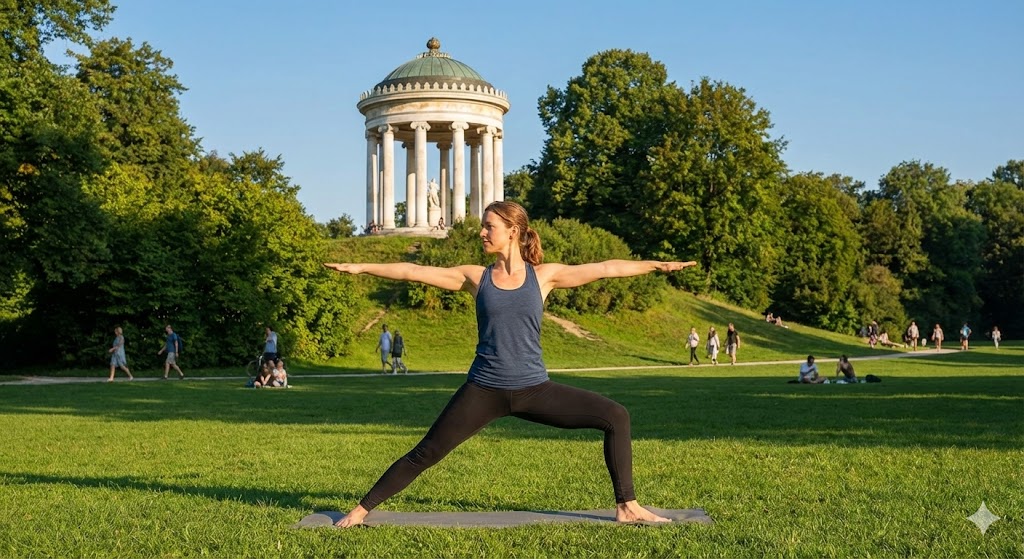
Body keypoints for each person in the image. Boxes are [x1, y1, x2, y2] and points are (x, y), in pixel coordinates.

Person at [323, 200, 695, 527]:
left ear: (513, 231)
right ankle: (360, 509)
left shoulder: (544, 276)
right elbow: (412, 271)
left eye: (489, 226)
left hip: (535, 390)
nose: (482, 232)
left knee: (616, 416)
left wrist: (655, 265)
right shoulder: (476, 277)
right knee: (427, 451)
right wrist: (360, 267)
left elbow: (605, 268)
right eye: (483, 226)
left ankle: (627, 506)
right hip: (484, 389)